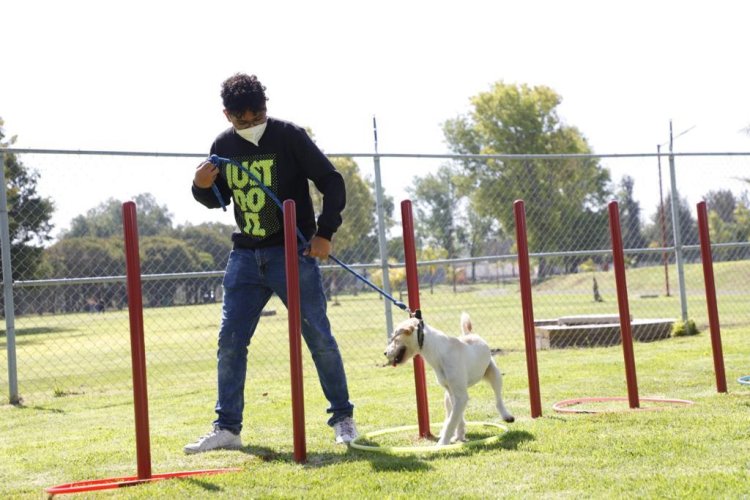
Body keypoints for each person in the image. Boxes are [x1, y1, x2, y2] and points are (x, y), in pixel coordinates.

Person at [185, 73, 356, 454]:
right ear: (227, 115)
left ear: (266, 107)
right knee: (230, 341)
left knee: (319, 338)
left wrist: (325, 232)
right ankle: (227, 428)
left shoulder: (289, 135)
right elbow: (218, 199)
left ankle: (343, 418)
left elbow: (332, 181)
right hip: (245, 257)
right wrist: (199, 186)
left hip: (293, 254)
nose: (251, 124)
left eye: (257, 115)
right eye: (242, 120)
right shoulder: (222, 144)